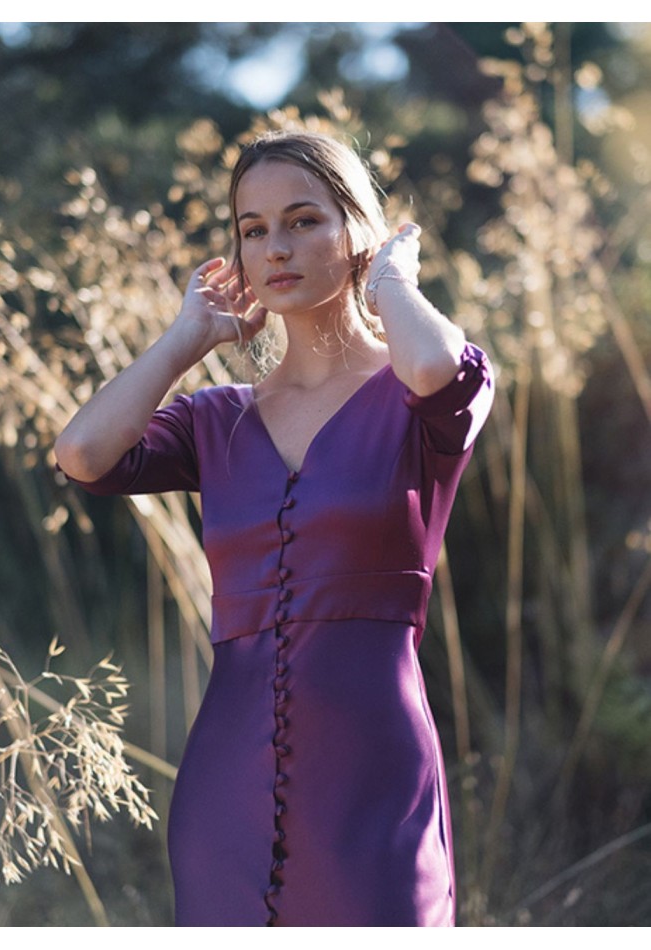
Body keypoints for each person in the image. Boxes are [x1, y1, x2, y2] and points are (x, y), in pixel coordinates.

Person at [55, 130, 494, 927]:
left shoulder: (424, 393)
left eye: (303, 221)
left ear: (357, 230)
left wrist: (391, 283)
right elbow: (83, 453)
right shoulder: (214, 420)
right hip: (227, 793)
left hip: (376, 784)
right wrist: (189, 338)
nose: (275, 248)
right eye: (253, 230)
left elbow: (434, 369)